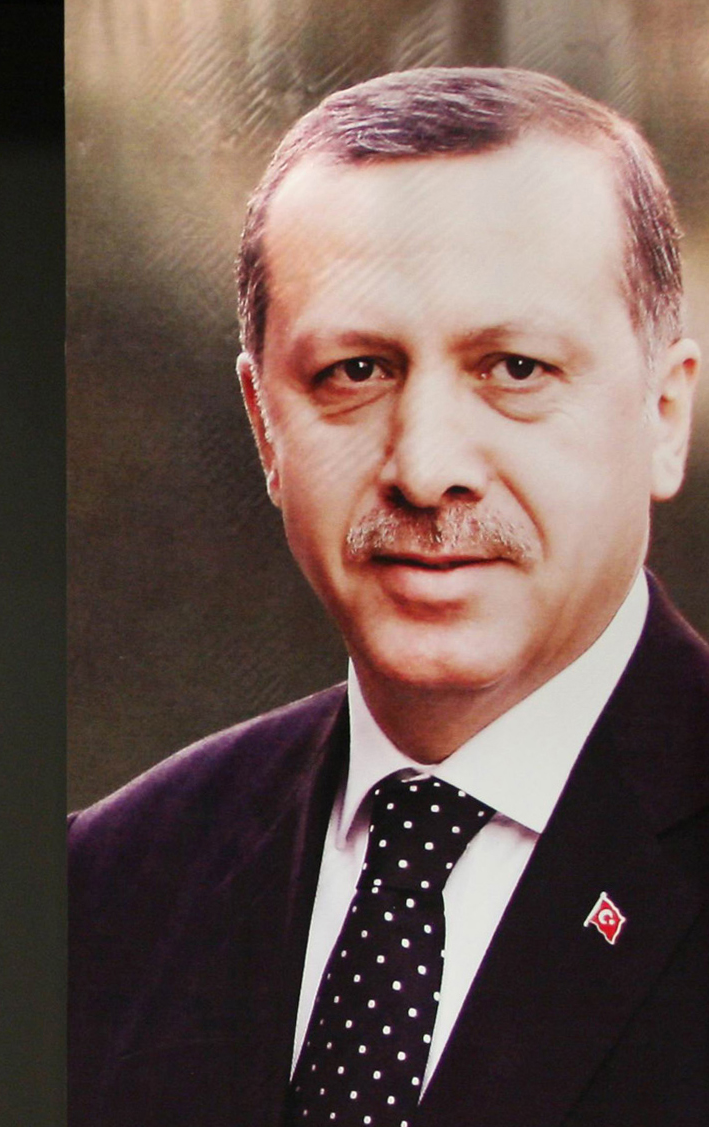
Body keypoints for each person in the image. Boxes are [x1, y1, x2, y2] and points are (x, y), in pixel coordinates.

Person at [70, 67, 709, 1126]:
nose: (425, 466)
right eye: (355, 371)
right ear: (263, 425)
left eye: (514, 367)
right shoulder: (102, 888)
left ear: (664, 414)